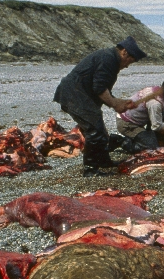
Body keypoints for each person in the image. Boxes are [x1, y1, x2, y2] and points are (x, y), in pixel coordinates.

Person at [53, 37, 147, 176]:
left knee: (100, 129)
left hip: (79, 94)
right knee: (95, 131)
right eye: (130, 61)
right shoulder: (108, 59)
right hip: (74, 95)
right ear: (124, 52)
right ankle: (90, 170)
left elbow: (102, 89)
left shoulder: (109, 58)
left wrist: (118, 102)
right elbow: (99, 88)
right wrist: (115, 104)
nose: (127, 66)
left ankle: (103, 160)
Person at [109, 78, 164, 153]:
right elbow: (157, 127)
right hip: (127, 123)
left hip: (129, 117)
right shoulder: (155, 104)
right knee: (150, 148)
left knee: (154, 137)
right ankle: (119, 140)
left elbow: (157, 115)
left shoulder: (155, 90)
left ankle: (142, 136)